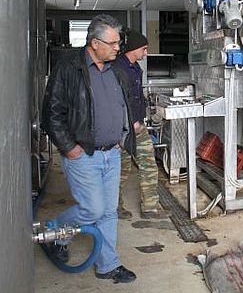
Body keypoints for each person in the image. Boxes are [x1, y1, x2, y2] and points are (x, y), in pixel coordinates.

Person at [41, 14, 137, 284]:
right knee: (93, 210)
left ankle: (108, 265)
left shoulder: (116, 67)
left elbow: (123, 103)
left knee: (108, 212)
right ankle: (55, 230)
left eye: (119, 42)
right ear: (95, 43)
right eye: (114, 43)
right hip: (83, 154)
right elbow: (52, 113)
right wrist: (69, 148)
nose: (118, 47)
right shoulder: (68, 67)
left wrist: (122, 135)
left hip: (112, 153)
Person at [116, 30, 169, 220]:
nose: (145, 53)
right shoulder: (117, 69)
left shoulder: (135, 67)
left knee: (148, 164)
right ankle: (114, 207)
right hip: (122, 129)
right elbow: (118, 102)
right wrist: (131, 123)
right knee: (121, 170)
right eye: (143, 49)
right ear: (132, 49)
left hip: (138, 127)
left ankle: (150, 207)